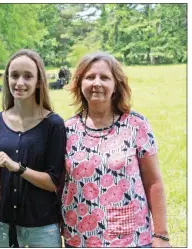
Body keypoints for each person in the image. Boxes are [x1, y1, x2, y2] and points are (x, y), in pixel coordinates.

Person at [62, 51, 170, 247]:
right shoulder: (67, 129)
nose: (97, 83)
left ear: (116, 85)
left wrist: (161, 234)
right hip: (79, 239)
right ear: (79, 84)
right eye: (89, 77)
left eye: (104, 77)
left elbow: (153, 182)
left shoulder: (136, 124)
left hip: (130, 239)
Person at [0, 49, 66, 247]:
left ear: (39, 81)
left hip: (41, 229)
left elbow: (53, 183)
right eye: (14, 76)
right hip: (2, 227)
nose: (19, 83)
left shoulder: (53, 124)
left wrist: (17, 168)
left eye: (28, 76)